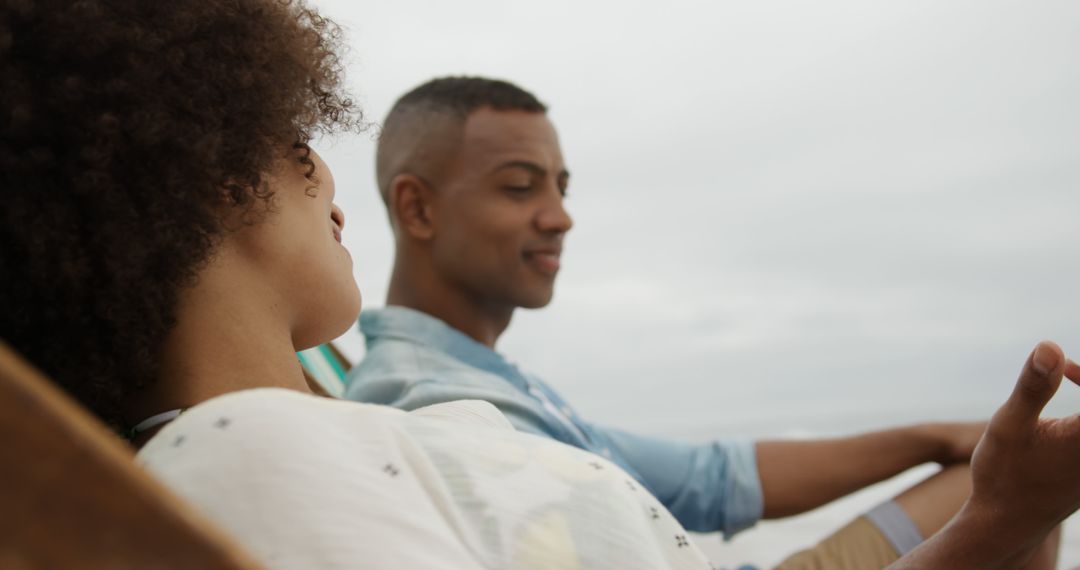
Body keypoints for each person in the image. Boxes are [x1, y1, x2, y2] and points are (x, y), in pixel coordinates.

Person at [2, 2, 1079, 569]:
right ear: (207, 170)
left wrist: (968, 464)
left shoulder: (328, 435)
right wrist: (990, 524)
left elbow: (707, 476)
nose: (333, 188)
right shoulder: (266, 449)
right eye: (292, 142)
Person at [343, 76, 1060, 567]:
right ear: (418, 209)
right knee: (1023, 492)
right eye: (520, 187)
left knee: (997, 467)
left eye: (561, 188)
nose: (560, 217)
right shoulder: (437, 405)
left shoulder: (481, 379)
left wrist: (944, 436)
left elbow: (714, 478)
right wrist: (1008, 518)